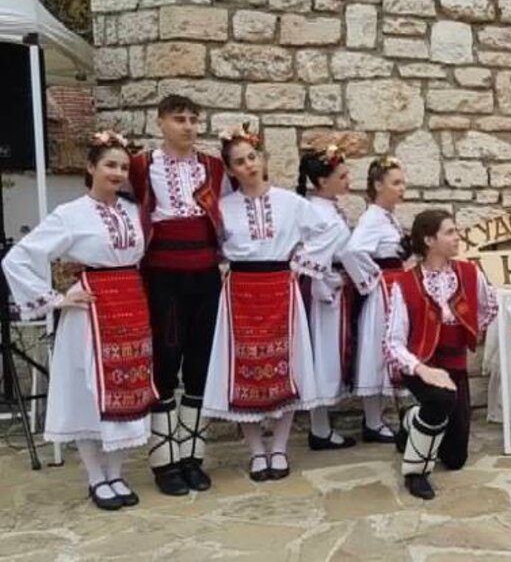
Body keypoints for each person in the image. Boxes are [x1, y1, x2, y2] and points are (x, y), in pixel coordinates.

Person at [3, 132, 154, 510]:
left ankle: (116, 472)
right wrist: (57, 298)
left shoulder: (135, 212)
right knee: (90, 392)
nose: (117, 173)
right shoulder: (70, 214)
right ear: (91, 167)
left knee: (129, 390)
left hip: (130, 305)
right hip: (92, 311)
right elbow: (17, 259)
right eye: (109, 165)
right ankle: (95, 477)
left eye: (122, 167)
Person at [201, 126, 338, 482]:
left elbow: (329, 232)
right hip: (241, 290)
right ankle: (256, 451)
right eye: (239, 162)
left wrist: (302, 265)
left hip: (280, 285)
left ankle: (278, 447)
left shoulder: (290, 203)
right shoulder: (222, 207)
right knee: (244, 368)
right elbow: (209, 246)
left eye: (252, 157)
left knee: (287, 365)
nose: (248, 166)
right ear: (229, 170)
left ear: (261, 158)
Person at [128, 95, 228, 496]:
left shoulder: (213, 167)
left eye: (193, 119)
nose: (187, 126)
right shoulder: (140, 166)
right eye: (178, 119)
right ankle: (164, 461)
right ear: (160, 122)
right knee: (166, 363)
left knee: (201, 364)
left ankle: (192, 457)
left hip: (205, 274)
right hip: (163, 275)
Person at [383, 209, 498, 500]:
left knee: (456, 458)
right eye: (450, 232)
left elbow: (488, 307)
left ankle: (410, 420)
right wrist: (422, 369)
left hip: (455, 366)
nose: (457, 236)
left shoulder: (470, 273)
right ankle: (415, 472)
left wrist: (470, 330)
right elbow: (393, 343)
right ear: (429, 240)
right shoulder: (405, 284)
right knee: (440, 398)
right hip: (420, 366)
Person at [341, 156, 409, 444]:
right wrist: (372, 280)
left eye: (403, 182)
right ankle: (372, 421)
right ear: (378, 185)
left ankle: (377, 418)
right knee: (379, 348)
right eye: (396, 183)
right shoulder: (372, 218)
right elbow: (353, 251)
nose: (402, 188)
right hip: (384, 289)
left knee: (390, 346)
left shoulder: (386, 216)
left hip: (394, 287)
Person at [296, 146, 357, 450]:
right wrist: (328, 280)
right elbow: (305, 256)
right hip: (323, 293)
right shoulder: (316, 212)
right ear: (322, 181)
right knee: (322, 355)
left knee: (330, 355)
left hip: (335, 286)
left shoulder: (328, 208)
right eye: (342, 176)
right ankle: (319, 428)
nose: (348, 180)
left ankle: (322, 425)